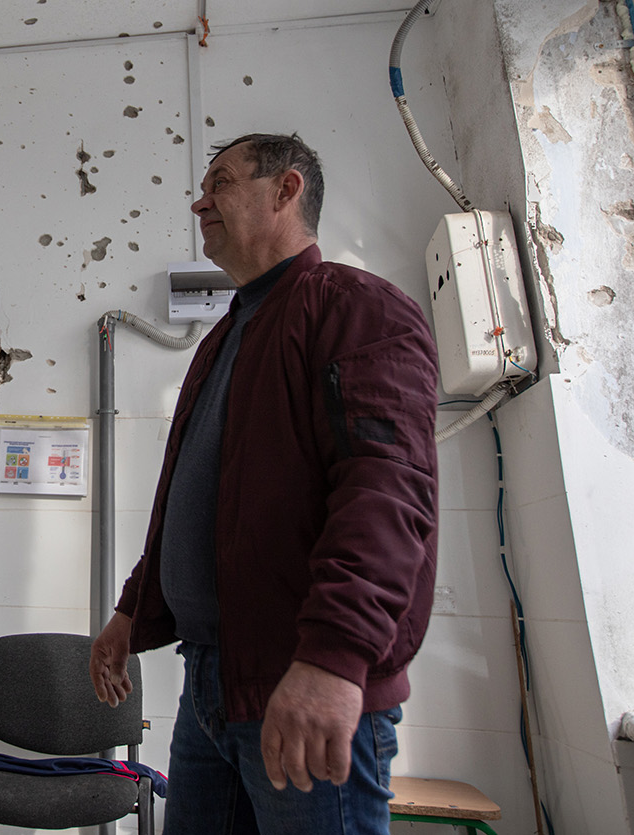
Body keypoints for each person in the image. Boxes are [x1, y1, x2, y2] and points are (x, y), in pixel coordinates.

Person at [90, 133, 439, 834]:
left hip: (300, 677)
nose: (199, 199)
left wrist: (332, 659)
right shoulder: (222, 339)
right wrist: (135, 608)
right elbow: (195, 503)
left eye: (220, 181)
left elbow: (386, 494)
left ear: (286, 191)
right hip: (210, 686)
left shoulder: (356, 308)